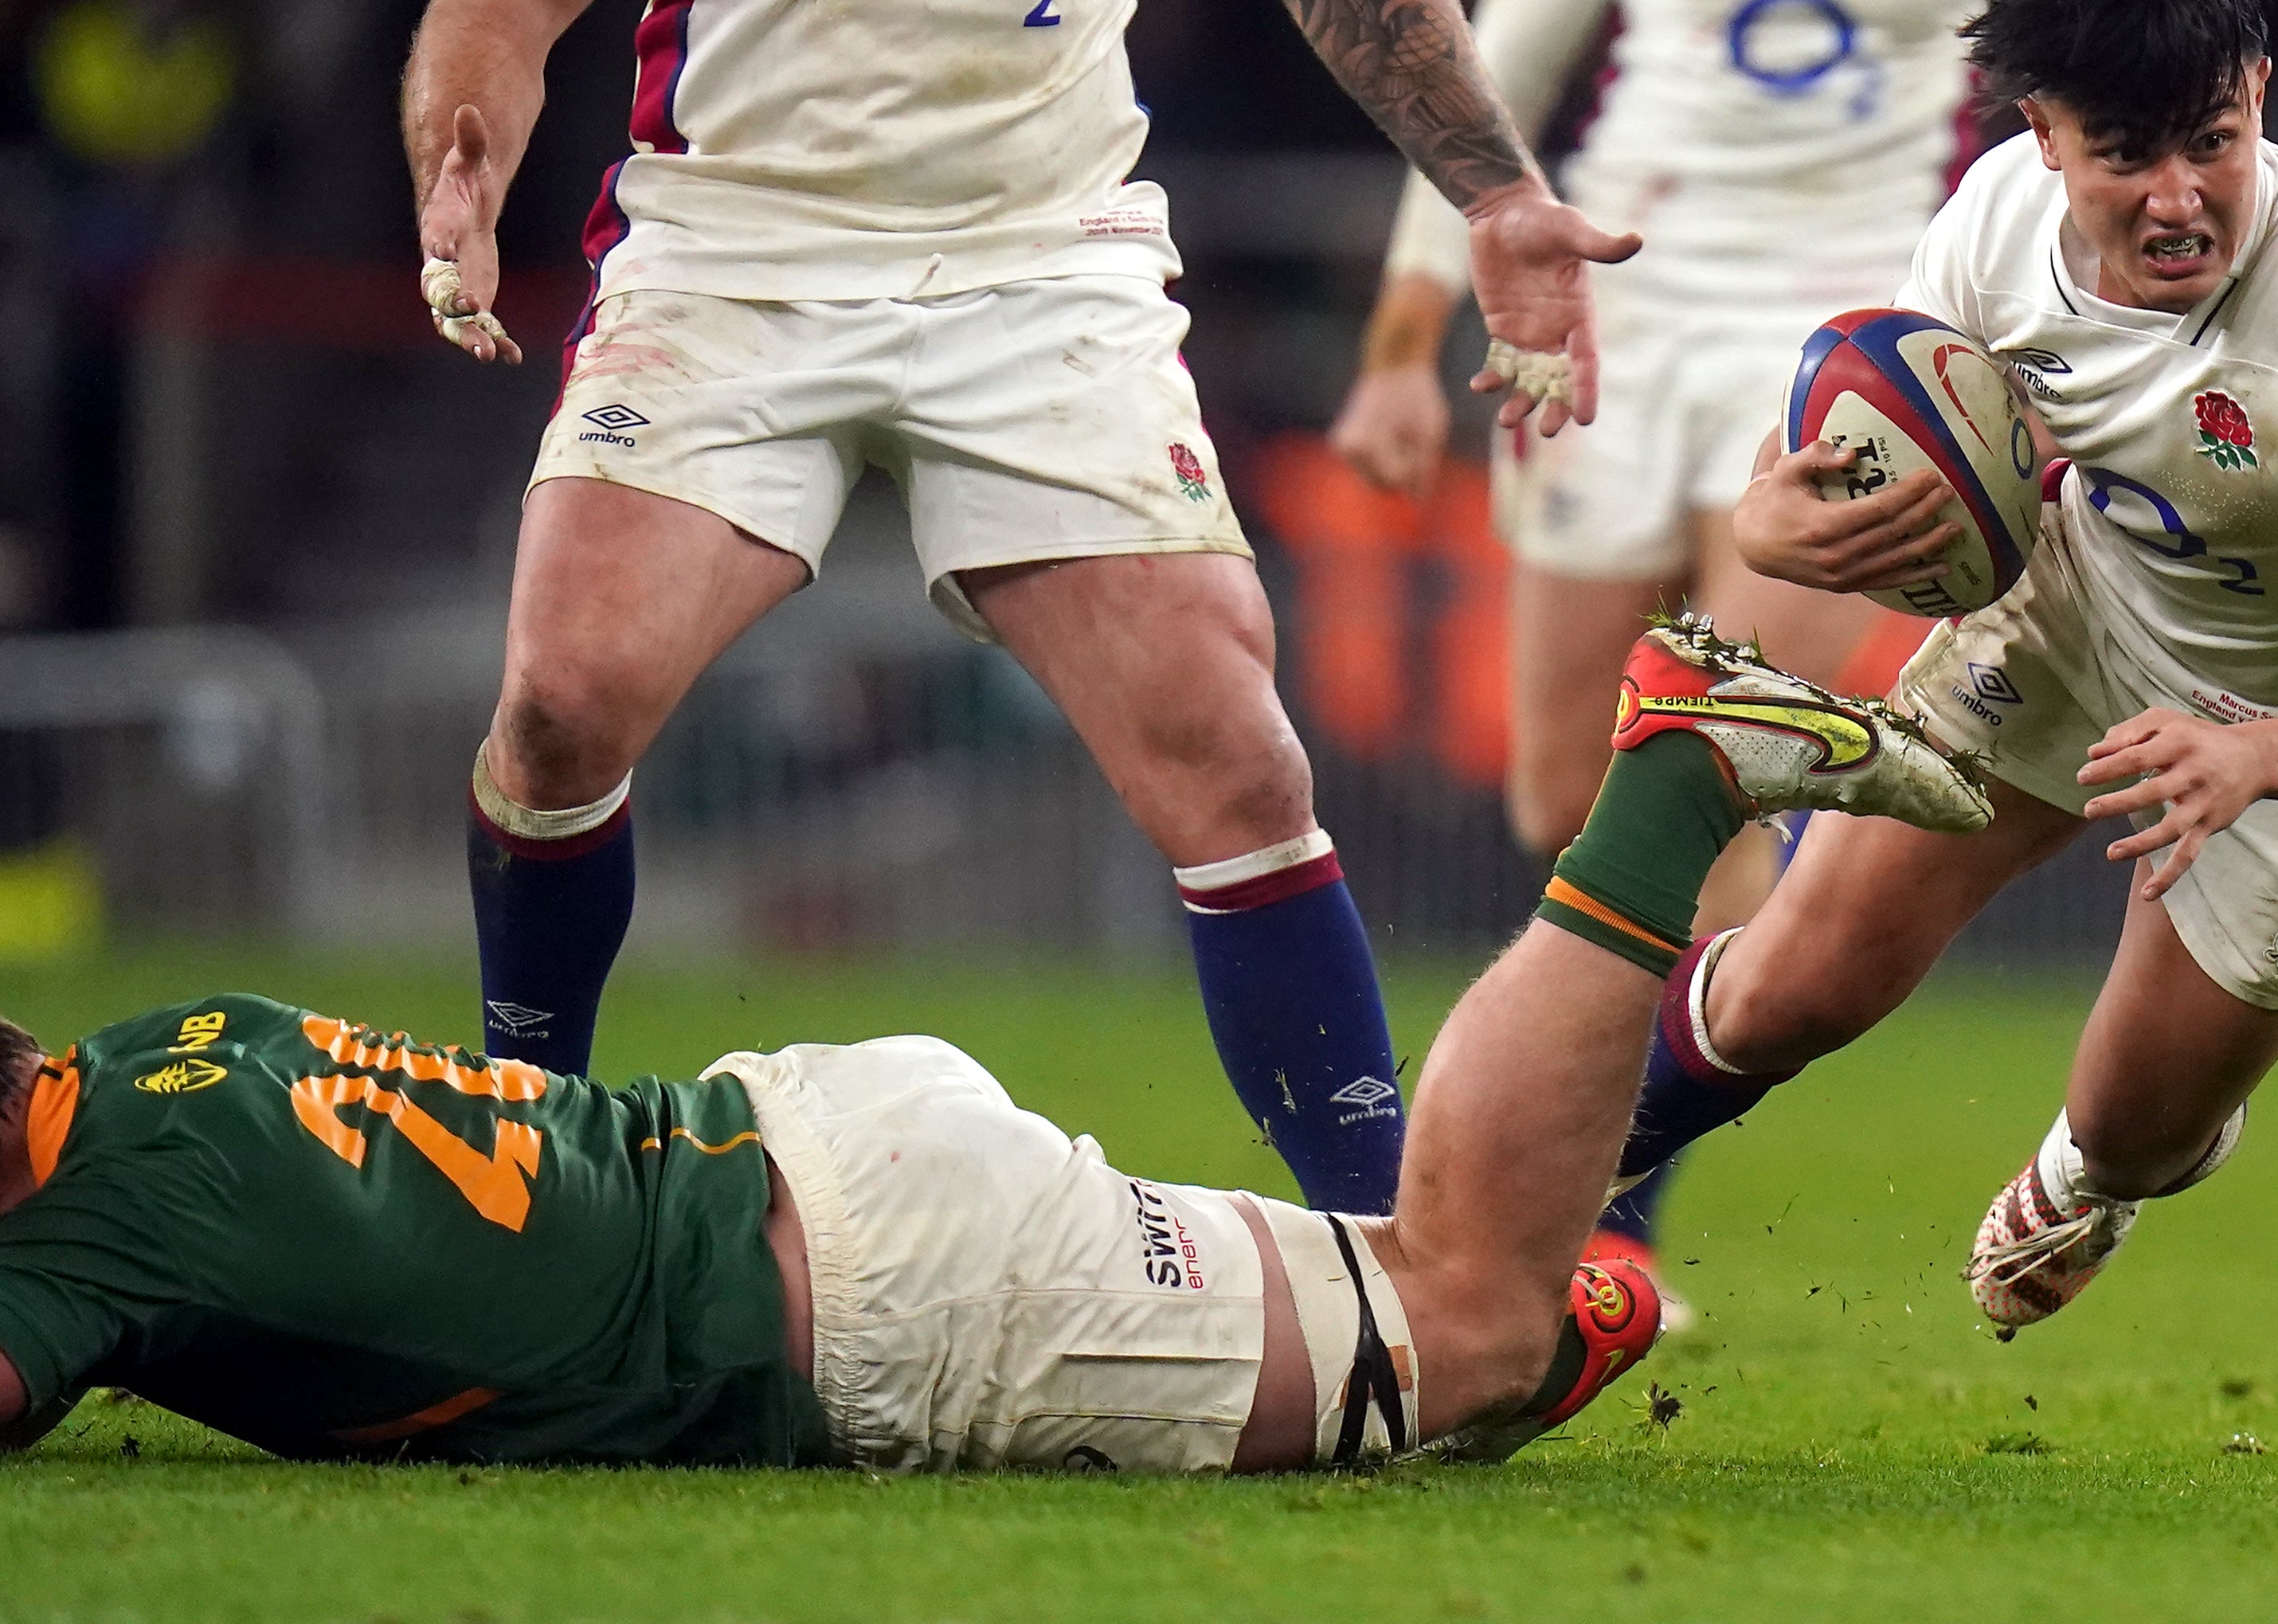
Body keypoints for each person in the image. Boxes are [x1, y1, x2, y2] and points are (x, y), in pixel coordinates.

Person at [397, 0, 1632, 1215]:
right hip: (741, 261)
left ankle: (1403, 1251)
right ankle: (512, 1135)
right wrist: (460, 166)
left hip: (1041, 272)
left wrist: (1491, 188)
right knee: (559, 707)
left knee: (1235, 754)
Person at [0, 621, 1978, 1472]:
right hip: (806, 1134)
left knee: (1470, 1330)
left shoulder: (90, 1240)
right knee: (1452, 1308)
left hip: (880, 1292)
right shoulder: (184, 1040)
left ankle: (1677, 776)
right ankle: (1578, 1289)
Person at [1330, 0, 2118, 1257]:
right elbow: (1499, 48)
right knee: (1559, 787)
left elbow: (2102, 86)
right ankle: (1586, 1189)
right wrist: (1400, 332)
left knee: (1700, 764)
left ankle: (1597, 1236)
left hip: (1857, 344)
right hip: (1617, 302)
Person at [1604, 0, 2278, 1333]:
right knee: (1798, 977)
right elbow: (1883, 444)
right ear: (2036, 133)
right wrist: (1770, 517)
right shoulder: (1988, 228)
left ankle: (2110, 1165)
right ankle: (1520, 1210)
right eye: (2123, 154)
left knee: (2133, 1126)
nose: (2176, 200)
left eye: (2213, 144)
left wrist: (2255, 754)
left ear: (2257, 92)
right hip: (2066, 615)